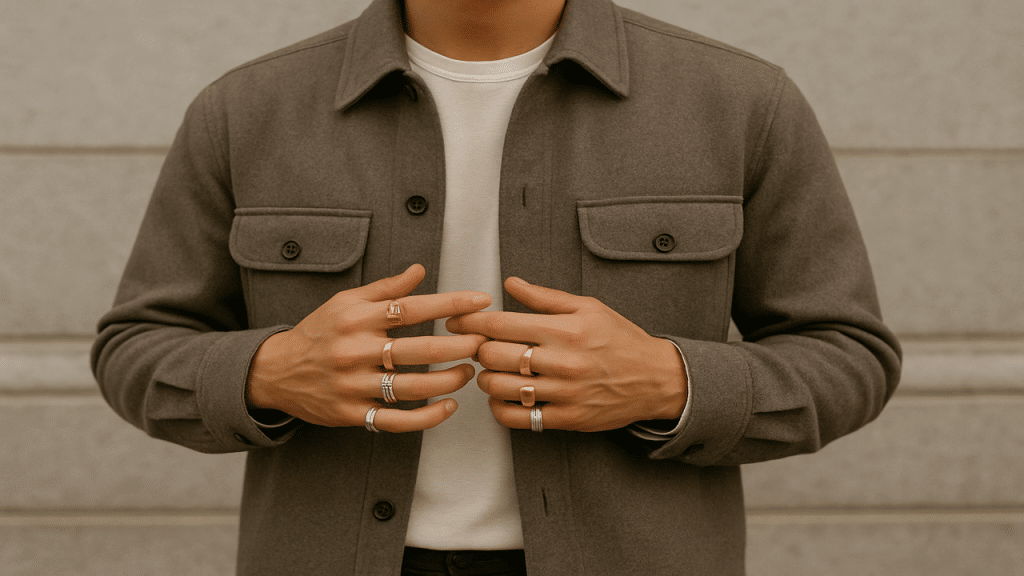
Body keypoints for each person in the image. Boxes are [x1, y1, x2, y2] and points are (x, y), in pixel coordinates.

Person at [91, 0, 902, 574]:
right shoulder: (246, 111)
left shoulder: (741, 104)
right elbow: (135, 348)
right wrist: (270, 372)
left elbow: (849, 356)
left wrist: (670, 382)